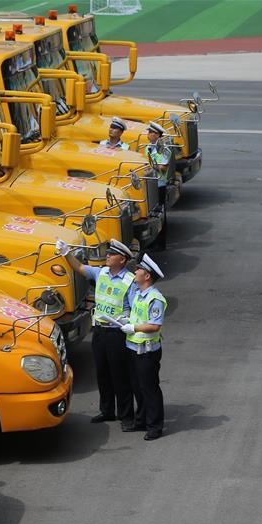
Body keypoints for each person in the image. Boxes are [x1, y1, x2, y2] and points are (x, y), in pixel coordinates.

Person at [56, 237, 136, 426]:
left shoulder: (129, 281)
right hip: (100, 331)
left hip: (118, 333)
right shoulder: (101, 273)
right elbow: (79, 268)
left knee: (120, 375)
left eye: (112, 254)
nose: (107, 256)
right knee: (103, 373)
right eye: (108, 253)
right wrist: (66, 253)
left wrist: (131, 326)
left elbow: (135, 308)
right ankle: (107, 410)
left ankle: (126, 416)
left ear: (122, 259)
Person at [120, 253, 167, 440]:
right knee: (137, 386)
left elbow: (155, 325)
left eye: (139, 269)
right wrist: (125, 319)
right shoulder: (139, 294)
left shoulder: (155, 298)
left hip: (147, 351)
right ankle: (142, 420)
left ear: (147, 276)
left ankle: (155, 426)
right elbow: (134, 313)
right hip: (133, 347)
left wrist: (133, 327)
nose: (135, 271)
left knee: (150, 388)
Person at [145, 121, 171, 207]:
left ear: (156, 135)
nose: (148, 134)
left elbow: (164, 168)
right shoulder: (147, 148)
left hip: (159, 184)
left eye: (150, 132)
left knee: (160, 208)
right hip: (148, 183)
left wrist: (152, 166)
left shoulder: (164, 150)